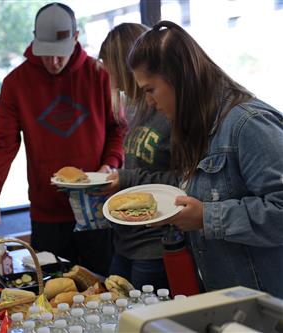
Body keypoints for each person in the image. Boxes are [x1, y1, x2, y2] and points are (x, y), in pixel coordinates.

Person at [127, 20, 283, 297]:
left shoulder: (249, 124)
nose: (148, 102)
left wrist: (207, 217)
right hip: (231, 298)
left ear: (178, 78)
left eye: (150, 89)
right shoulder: (197, 126)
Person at [0, 3, 126, 273]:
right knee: (52, 291)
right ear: (34, 39)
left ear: (76, 39)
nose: (53, 62)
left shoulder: (99, 75)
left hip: (96, 209)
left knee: (103, 286)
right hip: (47, 213)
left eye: (60, 55)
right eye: (47, 54)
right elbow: (3, 145)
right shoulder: (16, 83)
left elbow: (118, 128)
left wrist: (109, 165)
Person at [97, 23, 177, 290]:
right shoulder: (137, 111)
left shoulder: (169, 111)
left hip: (155, 246)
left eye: (110, 69)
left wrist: (126, 179)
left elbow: (185, 180)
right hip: (126, 242)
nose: (110, 78)